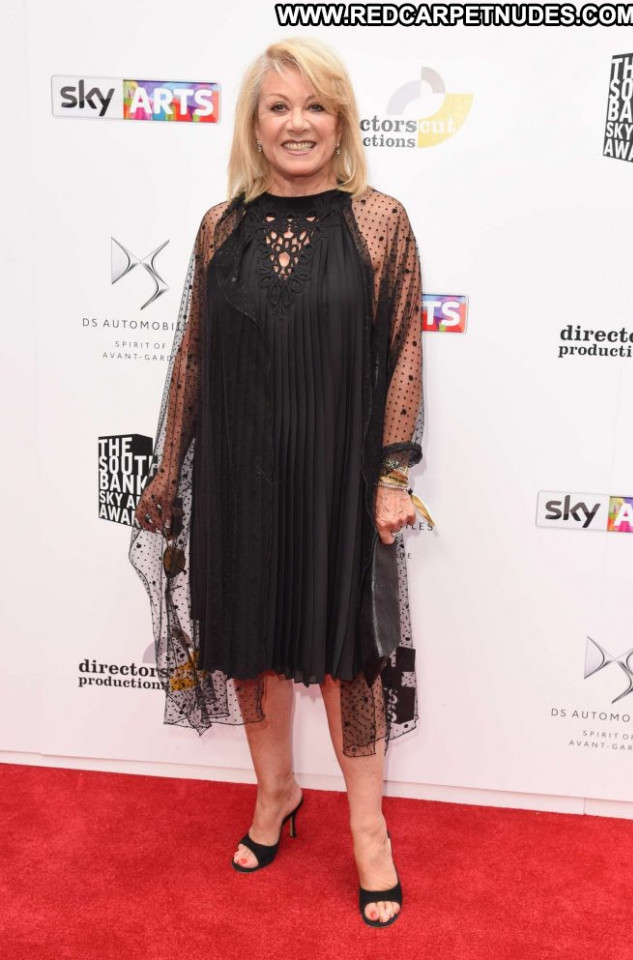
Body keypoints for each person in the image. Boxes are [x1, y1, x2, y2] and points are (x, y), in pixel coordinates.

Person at [129, 36, 426, 928]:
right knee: (249, 643)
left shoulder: (379, 221)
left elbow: (405, 351)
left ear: (341, 122)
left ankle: (367, 830)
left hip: (335, 483)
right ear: (255, 126)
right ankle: (276, 794)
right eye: (279, 106)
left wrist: (391, 475)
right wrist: (169, 466)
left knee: (347, 658)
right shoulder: (220, 228)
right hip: (237, 477)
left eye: (316, 106)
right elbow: (192, 357)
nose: (298, 123)